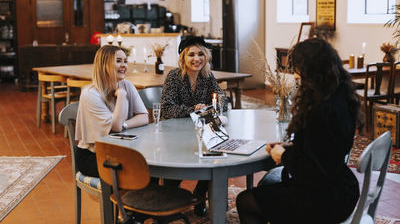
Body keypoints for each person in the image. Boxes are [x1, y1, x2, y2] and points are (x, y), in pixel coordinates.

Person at [236, 38, 364, 224]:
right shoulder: (341, 96)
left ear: (313, 71)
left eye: (299, 70)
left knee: (246, 201)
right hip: (342, 187)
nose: (296, 76)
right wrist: (290, 147)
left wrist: (283, 156)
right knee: (267, 188)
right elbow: (323, 151)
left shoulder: (321, 111)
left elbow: (314, 173)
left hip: (325, 200)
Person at [160, 36, 225, 216]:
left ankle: (200, 194)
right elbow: (167, 109)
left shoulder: (207, 75)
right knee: (176, 170)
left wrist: (212, 105)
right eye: (191, 55)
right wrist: (194, 110)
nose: (197, 59)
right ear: (183, 58)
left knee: (216, 158)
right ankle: (169, 201)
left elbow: (222, 100)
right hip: (174, 133)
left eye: (200, 54)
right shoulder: (174, 76)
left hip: (200, 131)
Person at [75, 45, 148, 178]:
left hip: (123, 149)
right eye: (118, 61)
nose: (124, 65)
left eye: (125, 61)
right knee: (141, 170)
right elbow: (115, 126)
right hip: (94, 156)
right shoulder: (90, 94)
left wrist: (125, 125)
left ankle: (142, 198)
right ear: (104, 64)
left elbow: (144, 117)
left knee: (149, 165)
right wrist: (121, 97)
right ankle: (123, 199)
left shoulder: (127, 85)